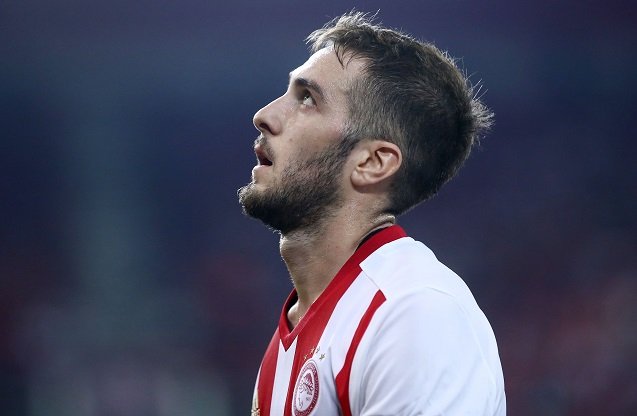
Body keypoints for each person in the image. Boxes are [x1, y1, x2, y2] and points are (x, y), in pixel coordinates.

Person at [238, 11, 505, 416]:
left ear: (373, 163)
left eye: (308, 99)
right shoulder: (288, 342)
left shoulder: (413, 313)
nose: (264, 115)